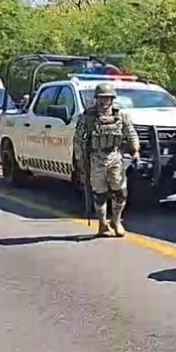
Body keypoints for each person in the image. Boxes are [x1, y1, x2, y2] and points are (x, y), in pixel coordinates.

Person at [73, 82, 140, 237]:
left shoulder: (120, 116)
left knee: (120, 191)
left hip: (115, 156)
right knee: (99, 193)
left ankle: (116, 221)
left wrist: (135, 150)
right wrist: (80, 161)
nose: (103, 102)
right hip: (95, 158)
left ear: (112, 99)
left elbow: (131, 133)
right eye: (101, 98)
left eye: (107, 98)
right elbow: (78, 140)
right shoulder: (88, 117)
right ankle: (102, 223)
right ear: (96, 99)